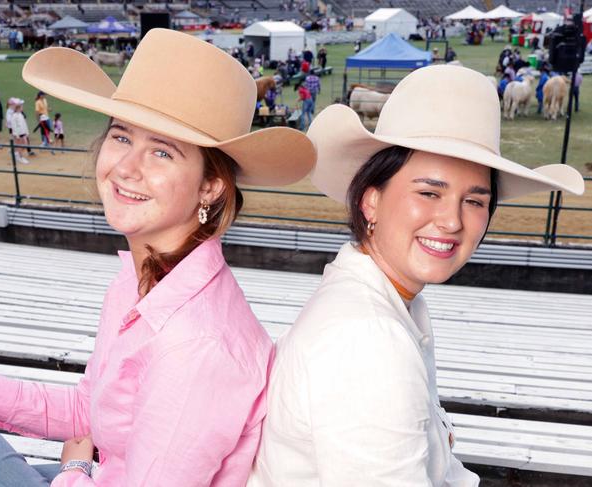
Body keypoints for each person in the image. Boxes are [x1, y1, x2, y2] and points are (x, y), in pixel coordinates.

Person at [0, 28, 315, 487]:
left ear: (210, 187)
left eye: (162, 151)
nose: (125, 167)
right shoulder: (144, 277)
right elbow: (87, 412)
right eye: (122, 137)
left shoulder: (195, 345)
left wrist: (74, 468)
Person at [248, 65, 584, 486]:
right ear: (371, 201)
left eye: (475, 202)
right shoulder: (368, 340)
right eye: (429, 193)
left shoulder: (386, 300)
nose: (451, 221)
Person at [10, 98, 30, 164]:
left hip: (23, 132)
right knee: (19, 145)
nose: (22, 107)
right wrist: (16, 134)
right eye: (21, 106)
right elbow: (14, 126)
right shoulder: (14, 115)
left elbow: (24, 124)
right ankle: (20, 157)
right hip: (18, 134)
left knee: (25, 144)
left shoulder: (21, 114)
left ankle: (17, 154)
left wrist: (27, 132)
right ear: (18, 107)